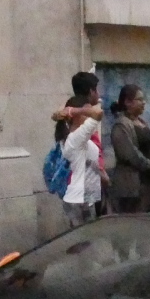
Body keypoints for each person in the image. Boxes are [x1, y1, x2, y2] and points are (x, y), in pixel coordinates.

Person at [108, 84, 150, 213]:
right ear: (128, 102)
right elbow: (132, 156)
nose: (144, 103)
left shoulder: (141, 122)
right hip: (134, 187)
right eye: (139, 99)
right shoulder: (121, 125)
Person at [57, 96, 104, 227]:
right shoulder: (75, 138)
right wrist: (77, 110)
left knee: (86, 242)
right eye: (86, 113)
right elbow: (98, 114)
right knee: (82, 243)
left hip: (86, 197)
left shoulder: (80, 138)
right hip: (79, 199)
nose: (88, 115)